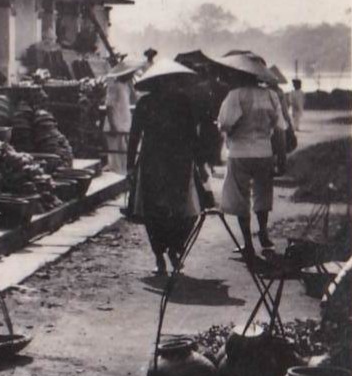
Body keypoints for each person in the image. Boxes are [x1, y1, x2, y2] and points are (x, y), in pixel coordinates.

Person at [126, 60, 212, 278]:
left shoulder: (154, 103)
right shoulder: (180, 102)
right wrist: (201, 164)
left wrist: (130, 168)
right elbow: (194, 137)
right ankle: (169, 252)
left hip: (159, 163)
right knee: (178, 211)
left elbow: (134, 138)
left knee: (158, 212)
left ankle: (164, 254)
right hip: (170, 163)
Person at [215, 55, 286, 258]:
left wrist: (223, 127)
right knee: (263, 194)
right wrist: (282, 158)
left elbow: (226, 124)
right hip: (264, 152)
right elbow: (280, 130)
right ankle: (263, 234)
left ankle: (248, 243)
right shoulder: (271, 95)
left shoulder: (235, 95)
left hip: (240, 152)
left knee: (240, 197)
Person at [103, 65, 137, 172]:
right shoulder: (113, 86)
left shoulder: (126, 86)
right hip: (115, 122)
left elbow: (133, 100)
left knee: (124, 153)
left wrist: (131, 85)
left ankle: (123, 174)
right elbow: (109, 106)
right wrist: (113, 125)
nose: (132, 75)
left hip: (124, 122)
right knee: (115, 156)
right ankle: (116, 174)